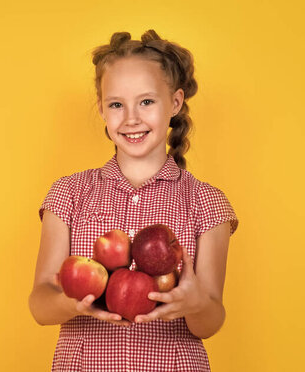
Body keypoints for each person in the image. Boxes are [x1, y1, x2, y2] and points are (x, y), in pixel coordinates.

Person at [28, 29, 239, 371]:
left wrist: (195, 303)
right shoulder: (68, 194)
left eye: (146, 101)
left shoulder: (206, 202)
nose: (131, 118)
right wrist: (75, 303)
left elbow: (211, 320)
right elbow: (40, 304)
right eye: (116, 104)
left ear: (175, 102)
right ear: (102, 110)